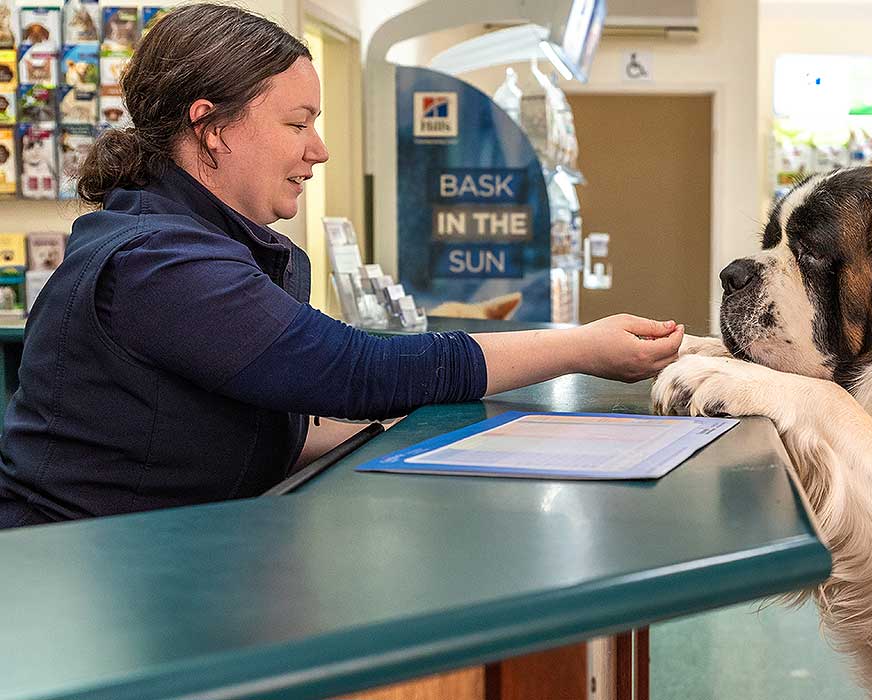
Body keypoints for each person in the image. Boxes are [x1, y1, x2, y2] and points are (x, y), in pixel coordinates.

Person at [0, 4, 683, 530]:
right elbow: (353, 371)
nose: (319, 149)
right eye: (299, 123)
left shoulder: (201, 243)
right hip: (81, 573)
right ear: (209, 125)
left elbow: (263, 411)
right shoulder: (159, 264)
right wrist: (583, 347)